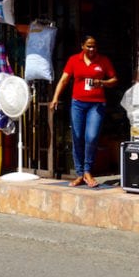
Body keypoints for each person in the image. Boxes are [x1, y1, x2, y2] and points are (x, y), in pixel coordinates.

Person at [50, 35, 118, 188]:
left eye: (94, 46)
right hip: (78, 104)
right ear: (82, 46)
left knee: (92, 137)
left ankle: (88, 170)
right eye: (89, 46)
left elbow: (114, 79)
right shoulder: (74, 60)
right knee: (77, 136)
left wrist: (102, 83)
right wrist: (55, 98)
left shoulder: (103, 61)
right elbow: (64, 80)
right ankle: (80, 173)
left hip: (97, 105)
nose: (92, 49)